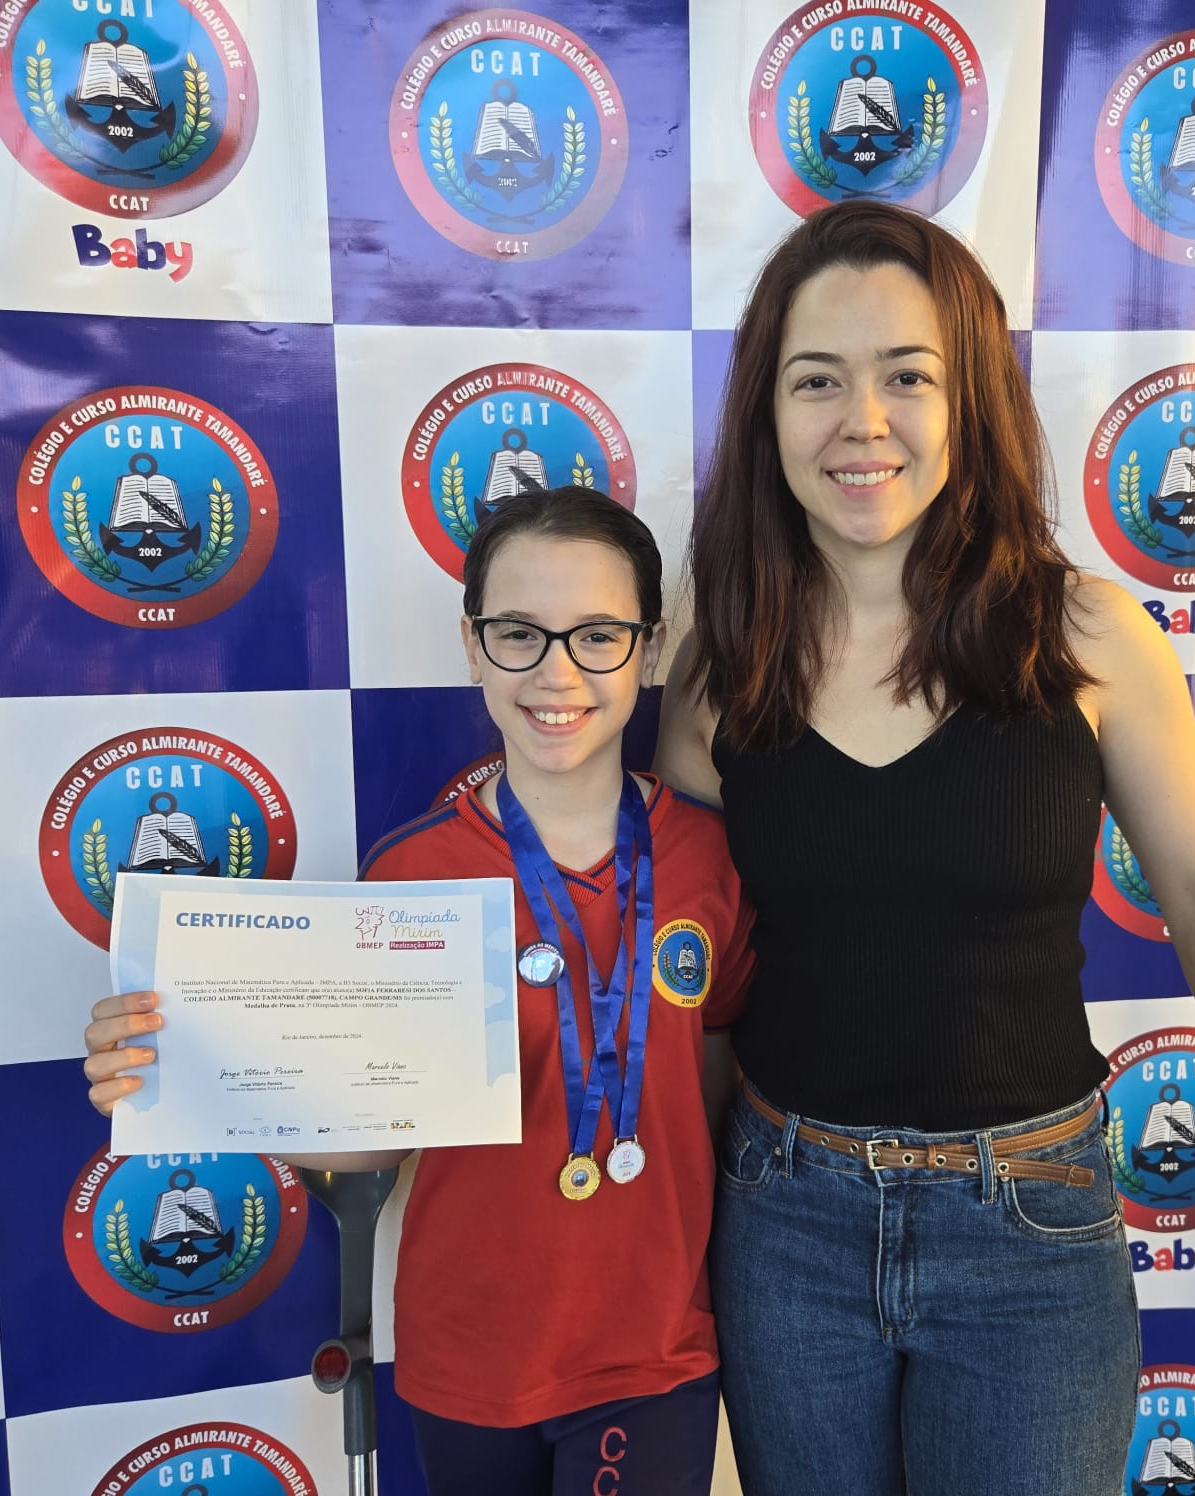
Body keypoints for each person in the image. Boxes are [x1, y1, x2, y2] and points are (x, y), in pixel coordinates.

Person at [653, 200, 1195, 1496]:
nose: (861, 420)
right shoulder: (723, 665)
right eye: (816, 380)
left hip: (1029, 1232)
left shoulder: (1086, 636)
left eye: (907, 376)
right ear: (765, 411)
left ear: (971, 401)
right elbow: (691, 975)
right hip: (783, 1224)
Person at [83, 488, 753, 1496]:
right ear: (473, 646)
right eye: (518, 633)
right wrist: (180, 1067)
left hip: (653, 1352)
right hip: (467, 1352)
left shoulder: (709, 859)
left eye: (598, 635)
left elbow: (714, 1092)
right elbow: (369, 1140)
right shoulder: (412, 876)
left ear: (648, 650)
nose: (557, 671)